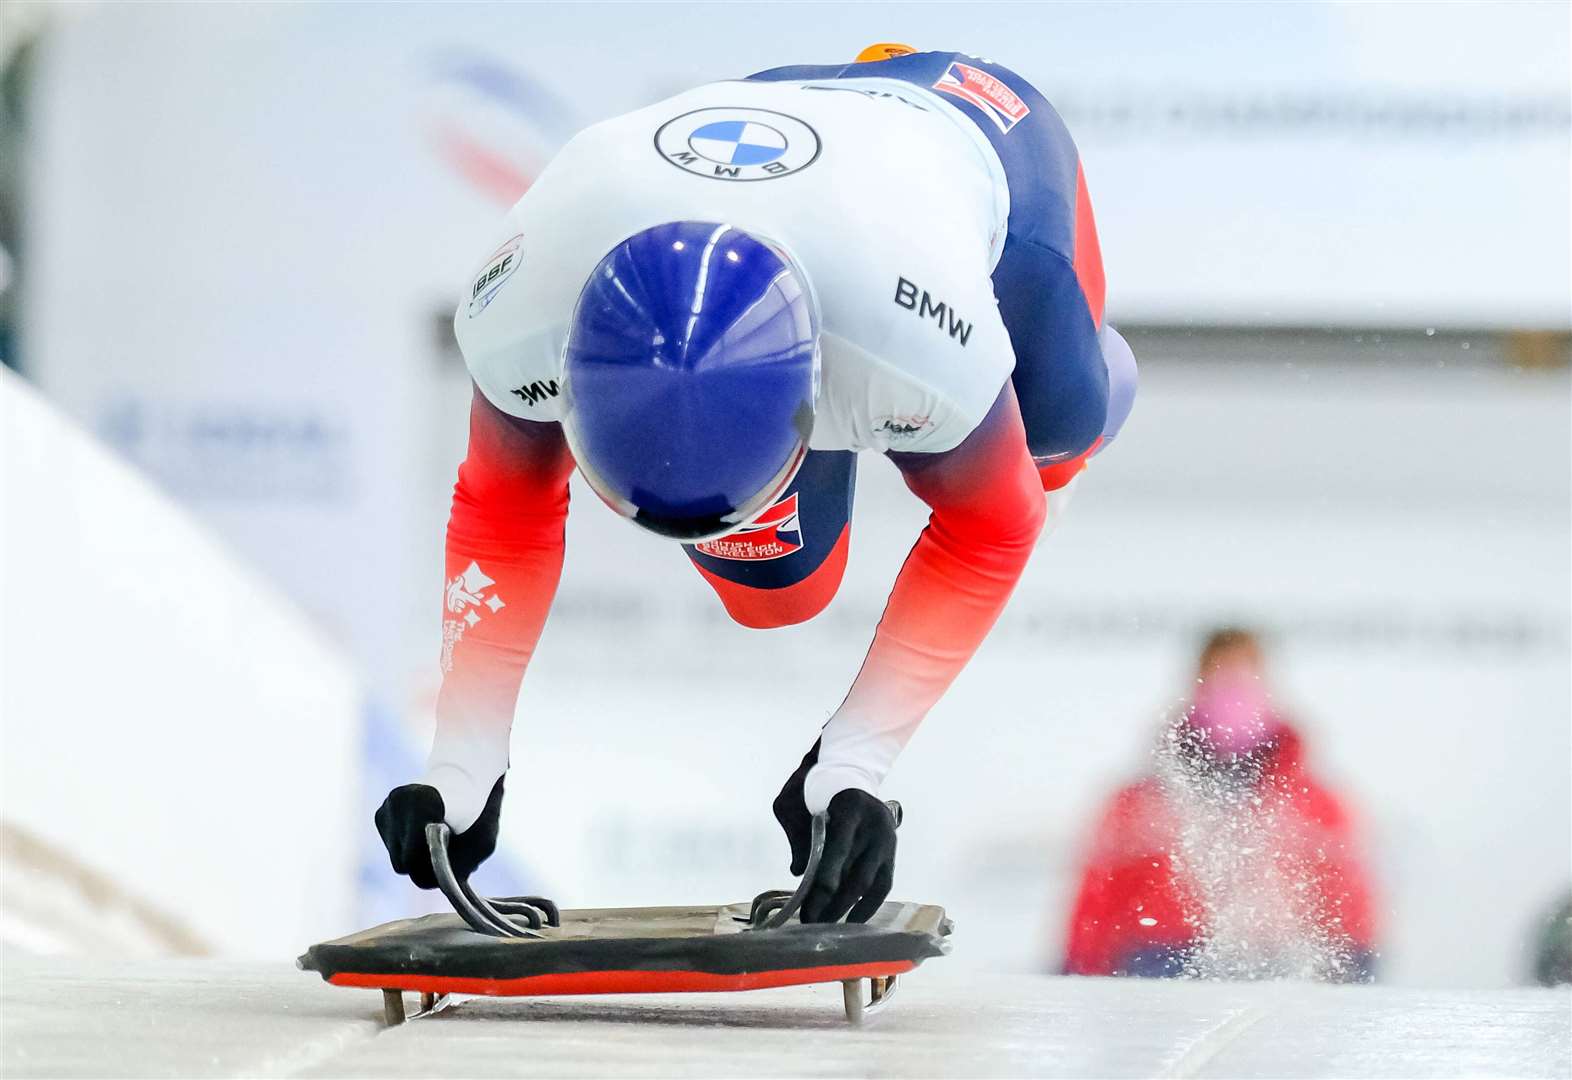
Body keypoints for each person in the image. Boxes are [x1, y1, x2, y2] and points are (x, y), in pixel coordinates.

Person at [376, 44, 1138, 924]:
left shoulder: (917, 350)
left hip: (982, 141)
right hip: (781, 146)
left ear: (819, 401)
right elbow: (503, 511)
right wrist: (462, 765)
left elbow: (992, 530)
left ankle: (1097, 390)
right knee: (779, 592)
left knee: (1059, 435)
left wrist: (853, 762)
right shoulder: (518, 307)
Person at [1061, 629, 1380, 980]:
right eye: (1219, 672)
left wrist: (1355, 968)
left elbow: (1347, 898)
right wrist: (1081, 968)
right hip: (1160, 959)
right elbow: (1099, 892)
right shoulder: (1140, 802)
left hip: (1279, 963)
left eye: (1245, 673)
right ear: (1196, 683)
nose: (1232, 687)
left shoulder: (1317, 804)